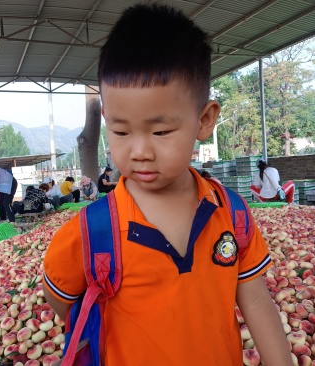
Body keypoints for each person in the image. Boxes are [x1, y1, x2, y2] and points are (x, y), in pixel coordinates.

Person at [42, 4, 292, 366]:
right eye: (120, 130)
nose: (140, 151)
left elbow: (254, 300)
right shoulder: (92, 230)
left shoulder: (232, 214)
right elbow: (63, 300)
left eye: (161, 131)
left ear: (204, 121)